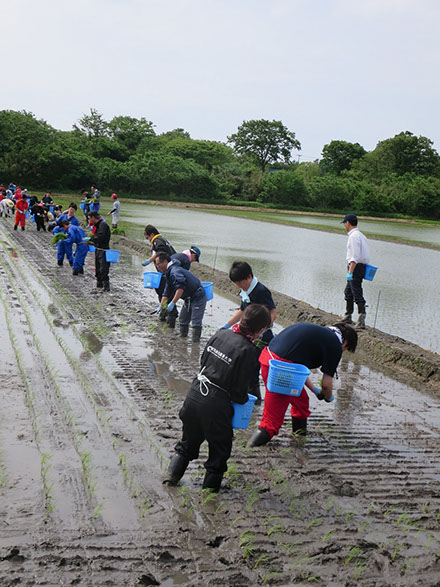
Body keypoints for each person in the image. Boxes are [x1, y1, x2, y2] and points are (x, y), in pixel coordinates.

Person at [164, 304, 271, 492]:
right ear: (260, 330)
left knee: (187, 443)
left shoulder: (220, 334)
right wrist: (241, 401)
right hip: (215, 406)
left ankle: (170, 480)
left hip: (194, 395)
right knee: (219, 452)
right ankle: (209, 496)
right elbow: (239, 390)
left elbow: (203, 363)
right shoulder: (248, 350)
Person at [248, 322, 358, 446]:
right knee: (270, 423)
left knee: (301, 402)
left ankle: (299, 438)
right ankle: (249, 450)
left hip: (269, 361)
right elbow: (326, 385)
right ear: (345, 342)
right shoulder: (335, 345)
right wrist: (328, 397)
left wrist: (314, 390)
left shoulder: (318, 334)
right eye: (346, 349)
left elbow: (298, 368)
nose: (342, 351)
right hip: (281, 370)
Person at [221, 261, 277, 402]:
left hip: (261, 336)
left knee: (253, 366)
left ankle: (256, 399)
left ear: (249, 277)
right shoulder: (246, 291)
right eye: (236, 283)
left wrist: (262, 330)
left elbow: (272, 313)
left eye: (241, 282)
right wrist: (226, 325)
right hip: (250, 334)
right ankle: (249, 396)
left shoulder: (261, 291)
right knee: (246, 365)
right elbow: (242, 310)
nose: (239, 286)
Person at [155, 252, 207, 340]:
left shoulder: (174, 271)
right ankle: (183, 339)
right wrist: (161, 305)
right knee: (183, 320)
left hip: (198, 296)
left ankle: (195, 343)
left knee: (196, 322)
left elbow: (180, 288)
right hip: (188, 298)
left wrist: (172, 303)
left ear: (165, 262)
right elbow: (167, 292)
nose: (157, 266)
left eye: (158, 264)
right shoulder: (168, 272)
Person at [340, 214, 370, 329]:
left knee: (356, 293)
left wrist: (350, 271)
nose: (344, 225)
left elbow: (355, 256)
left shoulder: (353, 236)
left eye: (344, 223)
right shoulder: (361, 235)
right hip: (360, 266)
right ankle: (348, 316)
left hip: (355, 267)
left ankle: (361, 320)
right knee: (348, 292)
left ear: (348, 223)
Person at [142, 225, 176, 307]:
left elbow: (160, 252)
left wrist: (149, 260)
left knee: (163, 291)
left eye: (148, 238)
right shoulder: (162, 239)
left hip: (168, 270)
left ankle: (167, 310)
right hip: (170, 268)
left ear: (152, 234)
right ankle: (166, 309)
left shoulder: (157, 241)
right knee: (165, 290)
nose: (148, 240)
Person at [87, 211, 111, 291]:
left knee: (103, 268)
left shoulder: (103, 225)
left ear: (93, 217)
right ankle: (99, 284)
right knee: (98, 268)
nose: (89, 221)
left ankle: (106, 286)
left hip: (103, 250)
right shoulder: (97, 226)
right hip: (98, 249)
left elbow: (101, 237)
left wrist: (91, 239)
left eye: (89, 219)